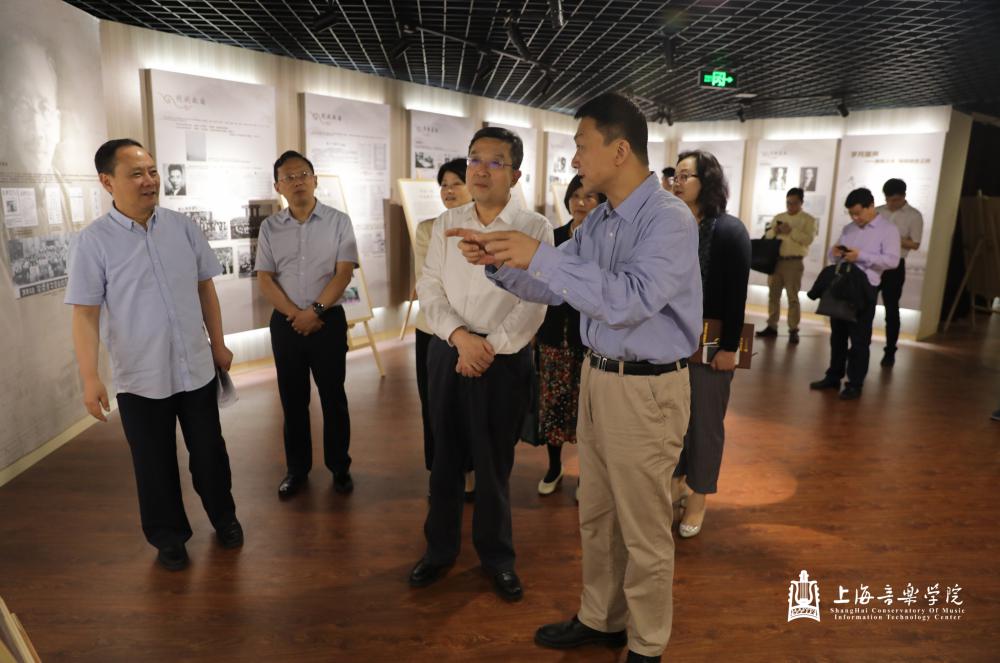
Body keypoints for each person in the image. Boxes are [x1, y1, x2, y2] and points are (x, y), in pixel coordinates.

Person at [451, 93, 701, 663]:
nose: (575, 160)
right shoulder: (603, 219)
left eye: (582, 147)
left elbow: (629, 300)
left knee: (643, 527)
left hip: (647, 388)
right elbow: (561, 287)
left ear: (620, 150)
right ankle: (602, 618)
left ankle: (647, 643)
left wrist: (539, 255)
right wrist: (499, 261)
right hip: (600, 376)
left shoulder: (668, 220)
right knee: (599, 514)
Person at [64, 138, 242, 571]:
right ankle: (169, 538)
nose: (149, 181)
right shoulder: (93, 242)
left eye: (152, 171)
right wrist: (90, 377)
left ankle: (224, 517)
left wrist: (218, 343)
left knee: (210, 454)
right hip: (140, 376)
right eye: (136, 174)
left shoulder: (183, 227)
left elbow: (205, 288)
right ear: (107, 181)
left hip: (195, 368)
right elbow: (85, 314)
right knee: (153, 464)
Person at [410, 127, 552, 603]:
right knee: (444, 459)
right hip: (448, 351)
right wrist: (459, 338)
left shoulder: (534, 228)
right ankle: (439, 550)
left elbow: (535, 300)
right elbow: (430, 287)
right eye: (475, 159)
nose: (481, 170)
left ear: (515, 174)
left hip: (503, 359)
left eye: (495, 161)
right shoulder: (447, 223)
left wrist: (488, 346)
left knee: (494, 465)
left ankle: (497, 558)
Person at [255, 150, 358, 498]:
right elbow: (265, 278)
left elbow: (343, 273)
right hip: (286, 325)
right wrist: (295, 315)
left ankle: (340, 467)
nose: (297, 182)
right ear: (278, 186)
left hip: (328, 321)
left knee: (333, 398)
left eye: (303, 175)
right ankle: (297, 469)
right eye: (289, 177)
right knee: (292, 400)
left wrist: (314, 311)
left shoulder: (339, 221)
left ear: (314, 180)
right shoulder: (270, 227)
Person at [669, 150, 750, 538]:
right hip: (669, 341)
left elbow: (737, 295)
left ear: (708, 181)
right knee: (672, 421)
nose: (677, 182)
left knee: (704, 423)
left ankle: (699, 495)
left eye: (686, 175)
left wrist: (729, 348)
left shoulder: (730, 231)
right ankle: (677, 482)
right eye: (675, 175)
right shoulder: (670, 226)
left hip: (712, 342)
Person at [535, 175, 606, 497]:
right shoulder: (553, 237)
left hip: (589, 340)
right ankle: (554, 466)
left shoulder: (604, 243)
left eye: (589, 197)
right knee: (552, 407)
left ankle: (586, 476)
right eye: (575, 196)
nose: (581, 202)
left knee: (587, 412)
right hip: (553, 336)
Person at [413, 158, 475, 498]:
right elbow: (428, 283)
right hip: (434, 330)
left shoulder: (487, 227)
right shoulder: (428, 228)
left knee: (469, 406)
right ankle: (439, 470)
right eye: (444, 185)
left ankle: (470, 470)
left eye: (456, 183)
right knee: (434, 404)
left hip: (477, 330)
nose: (449, 191)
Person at [810, 188, 900, 400]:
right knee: (837, 336)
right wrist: (836, 253)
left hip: (864, 288)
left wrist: (861, 256)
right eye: (851, 214)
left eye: (858, 213)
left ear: (871, 206)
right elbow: (833, 256)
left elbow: (892, 260)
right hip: (843, 285)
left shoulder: (888, 230)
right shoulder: (849, 228)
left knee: (859, 340)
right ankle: (833, 376)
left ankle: (855, 383)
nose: (855, 218)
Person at [755, 188, 817, 344]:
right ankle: (772, 325)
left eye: (794, 203)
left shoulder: (808, 220)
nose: (790, 206)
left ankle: (793, 328)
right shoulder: (779, 217)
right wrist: (775, 231)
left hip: (793, 262)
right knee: (773, 295)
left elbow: (808, 239)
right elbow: (767, 235)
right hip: (775, 261)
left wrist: (791, 231)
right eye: (788, 203)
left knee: (792, 297)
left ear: (801, 203)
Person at [875, 178, 923, 367]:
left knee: (891, 310)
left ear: (903, 196)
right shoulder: (878, 211)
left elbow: (915, 244)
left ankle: (890, 350)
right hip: (874, 263)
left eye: (895, 200)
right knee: (865, 306)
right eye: (888, 199)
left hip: (895, 266)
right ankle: (860, 344)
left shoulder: (914, 216)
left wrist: (893, 237)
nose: (891, 203)